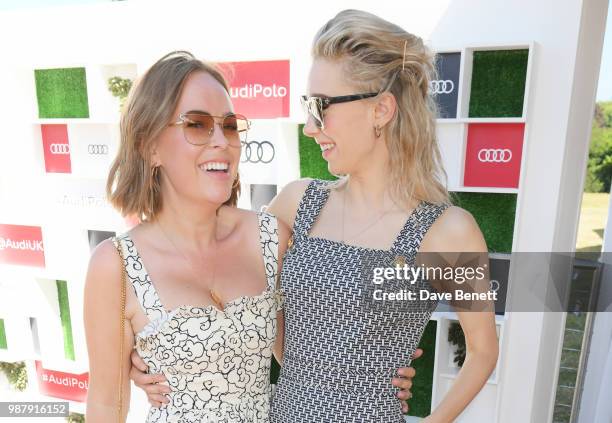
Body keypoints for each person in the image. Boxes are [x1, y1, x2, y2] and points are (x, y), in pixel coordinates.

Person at [131, 8, 498, 421]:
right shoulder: (296, 202)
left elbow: (483, 351)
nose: (309, 125)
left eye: (322, 106)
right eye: (309, 105)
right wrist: (145, 355)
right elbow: (210, 272)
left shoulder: (448, 232)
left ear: (381, 110)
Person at [83, 51, 289, 422]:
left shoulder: (270, 238)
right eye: (196, 124)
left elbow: (304, 361)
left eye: (228, 125)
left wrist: (373, 374)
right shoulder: (115, 266)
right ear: (150, 145)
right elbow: (105, 406)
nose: (222, 141)